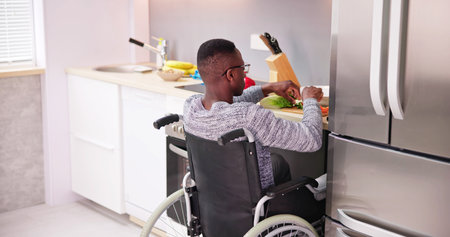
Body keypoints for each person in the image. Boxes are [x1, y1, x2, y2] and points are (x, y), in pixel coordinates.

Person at [183, 38, 324, 222]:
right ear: (231, 75)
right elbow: (312, 139)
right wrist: (310, 100)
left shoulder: (191, 107)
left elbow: (228, 109)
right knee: (323, 193)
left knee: (278, 163)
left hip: (214, 204)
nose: (245, 73)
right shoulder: (250, 117)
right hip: (256, 209)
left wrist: (268, 88)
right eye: (243, 68)